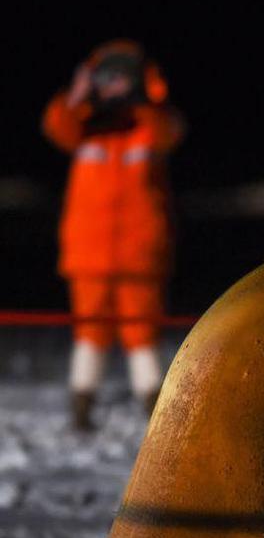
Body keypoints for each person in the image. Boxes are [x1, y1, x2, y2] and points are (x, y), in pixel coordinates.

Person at [42, 40, 185, 429]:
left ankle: (154, 407)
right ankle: (82, 404)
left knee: (143, 333)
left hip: (141, 254)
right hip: (87, 254)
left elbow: (169, 131)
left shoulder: (150, 126)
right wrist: (77, 94)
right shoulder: (84, 127)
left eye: (122, 76)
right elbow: (57, 126)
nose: (113, 85)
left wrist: (146, 96)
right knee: (89, 332)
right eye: (106, 77)